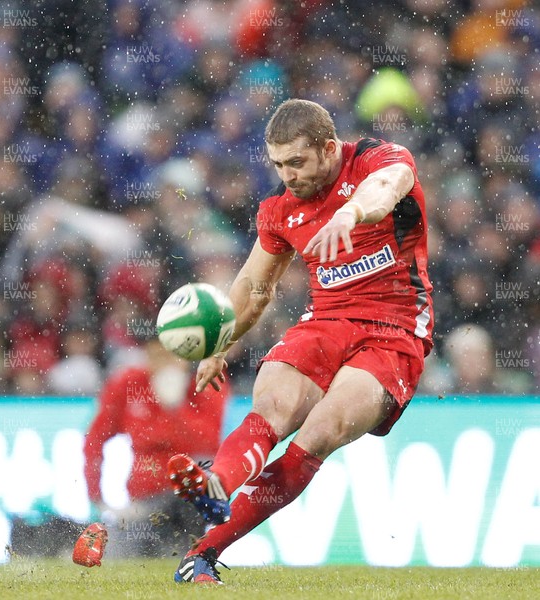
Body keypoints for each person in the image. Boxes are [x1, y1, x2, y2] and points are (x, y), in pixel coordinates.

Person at [167, 97, 434, 583]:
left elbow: (385, 189)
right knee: (271, 405)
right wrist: (218, 345)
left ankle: (206, 550)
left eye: (296, 162)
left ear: (329, 149)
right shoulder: (279, 209)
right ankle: (215, 485)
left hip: (394, 328)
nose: (287, 175)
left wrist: (351, 215)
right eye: (277, 164)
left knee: (320, 431)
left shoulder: (380, 159)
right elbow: (253, 288)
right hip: (325, 320)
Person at [83, 336, 230, 558]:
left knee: (198, 481)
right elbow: (95, 438)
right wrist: (96, 496)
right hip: (144, 500)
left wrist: (175, 407)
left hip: (189, 501)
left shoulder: (206, 381)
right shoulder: (129, 383)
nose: (165, 364)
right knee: (119, 558)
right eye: (157, 356)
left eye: (173, 356)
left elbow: (208, 445)